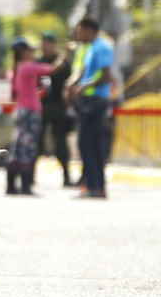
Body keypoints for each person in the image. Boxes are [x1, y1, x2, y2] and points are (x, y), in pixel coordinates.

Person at [7, 37, 68, 195]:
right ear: (23, 53)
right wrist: (65, 55)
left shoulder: (17, 68)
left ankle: (12, 185)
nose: (33, 53)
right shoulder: (29, 66)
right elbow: (53, 69)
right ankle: (25, 185)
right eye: (30, 50)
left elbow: (18, 92)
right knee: (28, 147)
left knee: (19, 146)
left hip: (22, 109)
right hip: (30, 112)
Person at [65, 17, 113, 199]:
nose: (78, 35)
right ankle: (92, 184)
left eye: (80, 31)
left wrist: (83, 87)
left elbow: (106, 75)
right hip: (87, 100)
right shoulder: (89, 48)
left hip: (96, 100)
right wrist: (71, 85)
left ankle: (96, 186)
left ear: (89, 30)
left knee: (91, 144)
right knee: (86, 144)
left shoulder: (101, 47)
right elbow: (83, 72)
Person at [37, 31, 73, 187]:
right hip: (41, 106)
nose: (45, 46)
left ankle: (66, 175)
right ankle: (29, 175)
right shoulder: (37, 62)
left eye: (48, 42)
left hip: (58, 106)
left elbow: (68, 83)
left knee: (60, 142)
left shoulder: (63, 64)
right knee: (37, 140)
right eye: (43, 42)